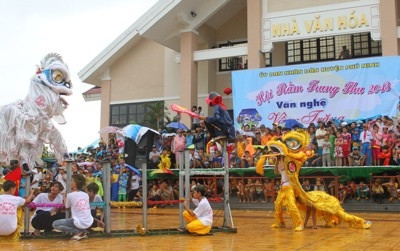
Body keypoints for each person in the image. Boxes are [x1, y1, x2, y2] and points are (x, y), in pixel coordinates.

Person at [53, 174, 94, 240]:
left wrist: (64, 195)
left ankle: (79, 232)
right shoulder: (86, 194)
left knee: (55, 224)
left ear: (75, 184)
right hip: (89, 221)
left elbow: (66, 206)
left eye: (71, 181)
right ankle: (82, 231)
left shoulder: (70, 195)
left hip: (79, 222)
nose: (70, 182)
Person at [271, 155, 303, 231]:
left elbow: (283, 168)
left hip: (289, 188)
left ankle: (300, 224)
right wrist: (277, 161)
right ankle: (280, 223)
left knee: (292, 206)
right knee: (277, 205)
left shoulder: (290, 164)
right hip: (282, 189)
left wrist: (281, 157)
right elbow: (275, 172)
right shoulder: (280, 164)